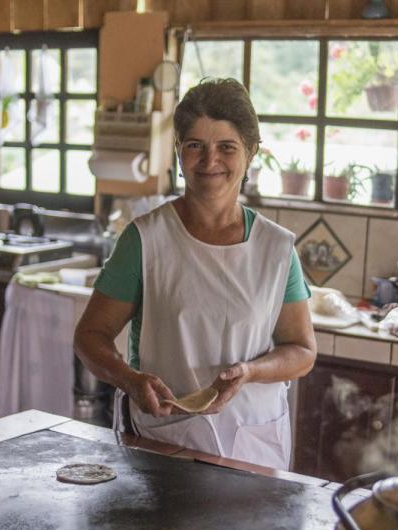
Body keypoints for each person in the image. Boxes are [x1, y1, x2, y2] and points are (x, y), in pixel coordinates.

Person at [74, 78, 317, 470]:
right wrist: (130, 380)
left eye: (227, 147)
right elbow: (90, 336)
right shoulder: (145, 240)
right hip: (165, 442)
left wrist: (250, 372)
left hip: (253, 445)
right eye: (195, 146)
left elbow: (302, 351)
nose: (209, 161)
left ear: (251, 152)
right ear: (178, 150)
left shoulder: (276, 249)